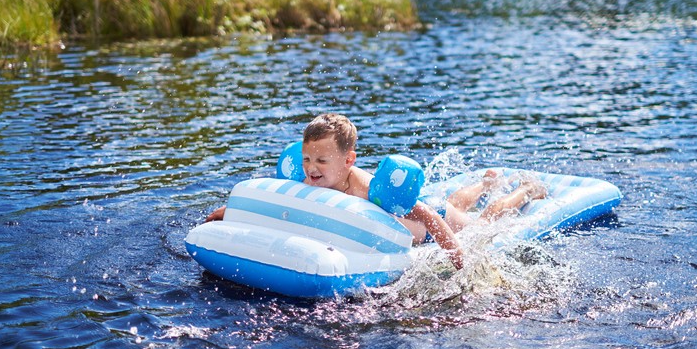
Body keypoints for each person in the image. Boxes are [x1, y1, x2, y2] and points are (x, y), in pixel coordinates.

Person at [205, 114, 547, 270]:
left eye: (322, 160)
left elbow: (426, 216)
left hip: (432, 225)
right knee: (455, 200)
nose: (311, 168)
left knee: (481, 220)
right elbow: (281, 204)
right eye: (307, 158)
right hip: (430, 211)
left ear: (349, 160)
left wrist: (459, 259)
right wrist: (232, 212)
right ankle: (485, 184)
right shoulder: (309, 180)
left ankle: (523, 190)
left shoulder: (368, 190)